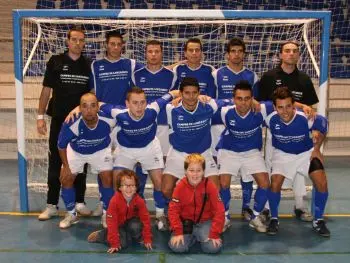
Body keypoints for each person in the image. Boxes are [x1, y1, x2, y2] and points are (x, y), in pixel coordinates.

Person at [99, 88, 180, 231]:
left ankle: (160, 214)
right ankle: (111, 213)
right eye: (135, 103)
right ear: (127, 103)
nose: (139, 107)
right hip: (126, 150)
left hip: (149, 148)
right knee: (117, 183)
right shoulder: (118, 113)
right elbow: (97, 103)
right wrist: (75, 108)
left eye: (142, 102)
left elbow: (172, 93)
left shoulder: (152, 109)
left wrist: (178, 97)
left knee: (159, 181)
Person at [258, 41, 319, 221]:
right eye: (287, 51)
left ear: (298, 55)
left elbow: (311, 108)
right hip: (275, 133)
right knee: (272, 168)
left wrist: (312, 124)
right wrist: (297, 104)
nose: (291, 54)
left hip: (298, 134)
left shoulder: (305, 80)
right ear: (280, 55)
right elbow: (263, 105)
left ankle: (299, 206)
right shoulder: (269, 77)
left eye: (294, 51)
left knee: (300, 171)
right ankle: (269, 208)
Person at [37, 26, 91, 221]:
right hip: (59, 121)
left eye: (81, 40)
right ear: (67, 42)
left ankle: (79, 202)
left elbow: (91, 95)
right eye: (74, 39)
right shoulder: (56, 61)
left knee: (81, 161)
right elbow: (46, 91)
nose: (78, 43)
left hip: (81, 123)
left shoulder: (88, 64)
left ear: (84, 43)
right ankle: (51, 204)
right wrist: (40, 116)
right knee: (55, 163)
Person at [90, 30, 144, 217]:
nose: (115, 47)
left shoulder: (131, 64)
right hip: (103, 117)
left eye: (118, 44)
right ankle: (104, 202)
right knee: (103, 163)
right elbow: (92, 92)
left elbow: (153, 68)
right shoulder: (96, 66)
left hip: (124, 117)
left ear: (123, 46)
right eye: (111, 44)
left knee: (126, 163)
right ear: (106, 45)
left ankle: (128, 203)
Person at [265, 87, 330, 237]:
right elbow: (249, 104)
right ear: (274, 107)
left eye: (289, 106)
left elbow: (324, 124)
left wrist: (317, 149)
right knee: (275, 183)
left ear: (294, 105)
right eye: (280, 107)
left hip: (305, 154)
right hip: (282, 154)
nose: (285, 111)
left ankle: (318, 220)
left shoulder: (305, 118)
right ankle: (274, 218)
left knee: (322, 181)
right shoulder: (269, 116)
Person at [162, 77, 229, 210]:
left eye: (194, 93)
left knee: (216, 189)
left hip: (203, 154)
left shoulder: (209, 105)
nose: (191, 97)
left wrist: (253, 102)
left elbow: (232, 101)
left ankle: (204, 213)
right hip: (179, 154)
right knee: (166, 189)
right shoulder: (171, 108)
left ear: (199, 93)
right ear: (181, 94)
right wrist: (172, 96)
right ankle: (176, 211)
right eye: (187, 93)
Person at [212, 37, 259, 223]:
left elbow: (256, 104)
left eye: (240, 51)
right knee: (222, 171)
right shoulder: (217, 74)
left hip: (245, 126)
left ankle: (247, 207)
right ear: (227, 54)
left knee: (247, 170)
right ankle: (223, 210)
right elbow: (210, 100)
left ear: (244, 54)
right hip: (220, 126)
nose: (236, 54)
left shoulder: (252, 76)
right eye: (233, 51)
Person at [217, 80, 273, 233]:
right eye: (239, 99)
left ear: (252, 98)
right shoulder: (225, 111)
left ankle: (255, 216)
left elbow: (284, 103)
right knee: (223, 184)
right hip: (229, 150)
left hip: (251, 152)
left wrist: (305, 107)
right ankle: (225, 217)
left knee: (265, 183)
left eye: (247, 98)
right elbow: (203, 102)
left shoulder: (261, 110)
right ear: (234, 99)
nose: (243, 102)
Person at [57, 93, 115, 229]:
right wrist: (65, 166)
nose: (89, 110)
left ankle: (107, 214)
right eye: (85, 106)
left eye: (93, 105)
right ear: (79, 108)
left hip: (100, 150)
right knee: (66, 178)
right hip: (77, 151)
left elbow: (128, 111)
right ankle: (71, 214)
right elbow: (61, 146)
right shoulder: (71, 122)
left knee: (107, 178)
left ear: (98, 107)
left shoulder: (110, 118)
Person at [168, 153, 225, 254]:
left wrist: (215, 233)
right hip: (186, 223)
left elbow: (219, 210)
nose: (195, 174)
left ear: (203, 172)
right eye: (191, 170)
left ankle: (197, 236)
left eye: (198, 170)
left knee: (212, 248)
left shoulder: (209, 186)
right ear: (185, 172)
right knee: (177, 247)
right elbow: (173, 210)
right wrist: (177, 231)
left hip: (205, 222)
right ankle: (193, 237)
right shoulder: (180, 187)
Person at [87, 170, 153, 253]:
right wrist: (114, 243)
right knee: (123, 244)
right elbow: (112, 223)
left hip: (130, 223)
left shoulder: (140, 201)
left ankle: (126, 235)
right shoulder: (114, 201)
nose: (129, 188)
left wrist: (147, 239)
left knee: (136, 226)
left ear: (136, 188)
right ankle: (102, 235)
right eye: (125, 185)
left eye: (132, 185)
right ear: (119, 188)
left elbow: (146, 220)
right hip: (117, 224)